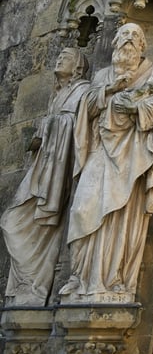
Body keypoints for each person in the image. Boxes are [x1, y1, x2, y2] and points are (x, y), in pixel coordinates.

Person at [59, 23, 153, 303]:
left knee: (120, 217)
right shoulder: (102, 75)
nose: (128, 41)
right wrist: (110, 89)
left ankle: (112, 280)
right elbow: (87, 109)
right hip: (100, 150)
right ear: (115, 43)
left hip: (132, 158)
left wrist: (134, 107)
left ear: (143, 46)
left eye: (135, 37)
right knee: (84, 208)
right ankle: (83, 278)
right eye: (123, 37)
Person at [1, 48, 90, 305]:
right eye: (59, 55)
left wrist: (50, 125)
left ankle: (36, 286)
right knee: (12, 220)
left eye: (66, 57)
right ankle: (29, 284)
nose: (60, 58)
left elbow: (79, 128)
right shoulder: (58, 95)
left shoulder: (82, 91)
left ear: (78, 66)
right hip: (45, 167)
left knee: (26, 221)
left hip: (58, 172)